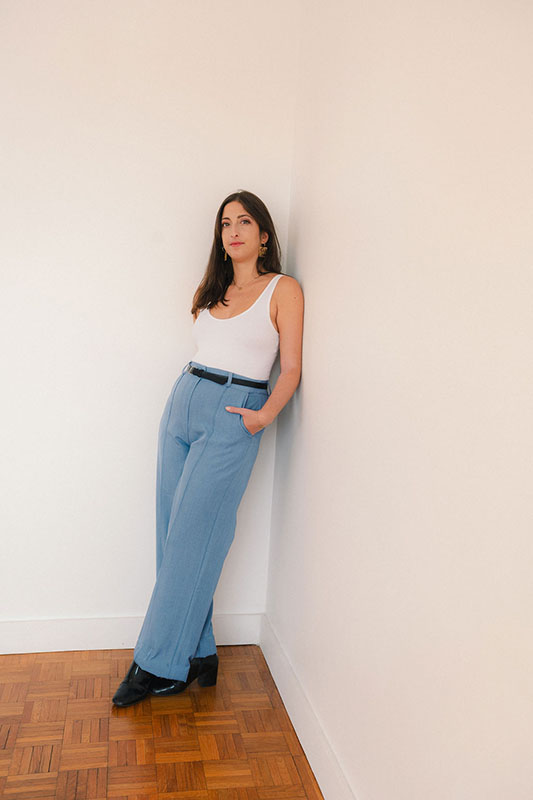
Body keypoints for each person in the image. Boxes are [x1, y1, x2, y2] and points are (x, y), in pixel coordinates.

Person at [112, 189, 304, 707]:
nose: (234, 231)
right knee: (172, 533)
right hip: (183, 399)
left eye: (245, 222)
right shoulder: (212, 289)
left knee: (194, 538)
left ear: (264, 235)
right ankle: (199, 655)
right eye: (225, 224)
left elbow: (290, 367)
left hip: (233, 411)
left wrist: (263, 416)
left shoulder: (283, 289)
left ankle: (155, 663)